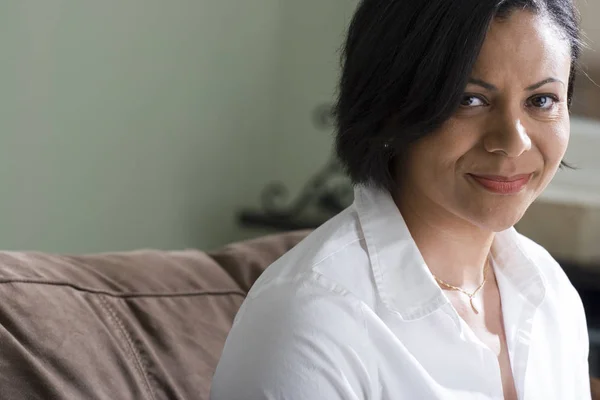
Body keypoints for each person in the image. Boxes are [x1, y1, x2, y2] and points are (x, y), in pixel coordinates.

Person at [210, 0, 591, 398]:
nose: (513, 142)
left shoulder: (551, 293)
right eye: (469, 100)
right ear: (390, 106)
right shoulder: (309, 315)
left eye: (542, 100)